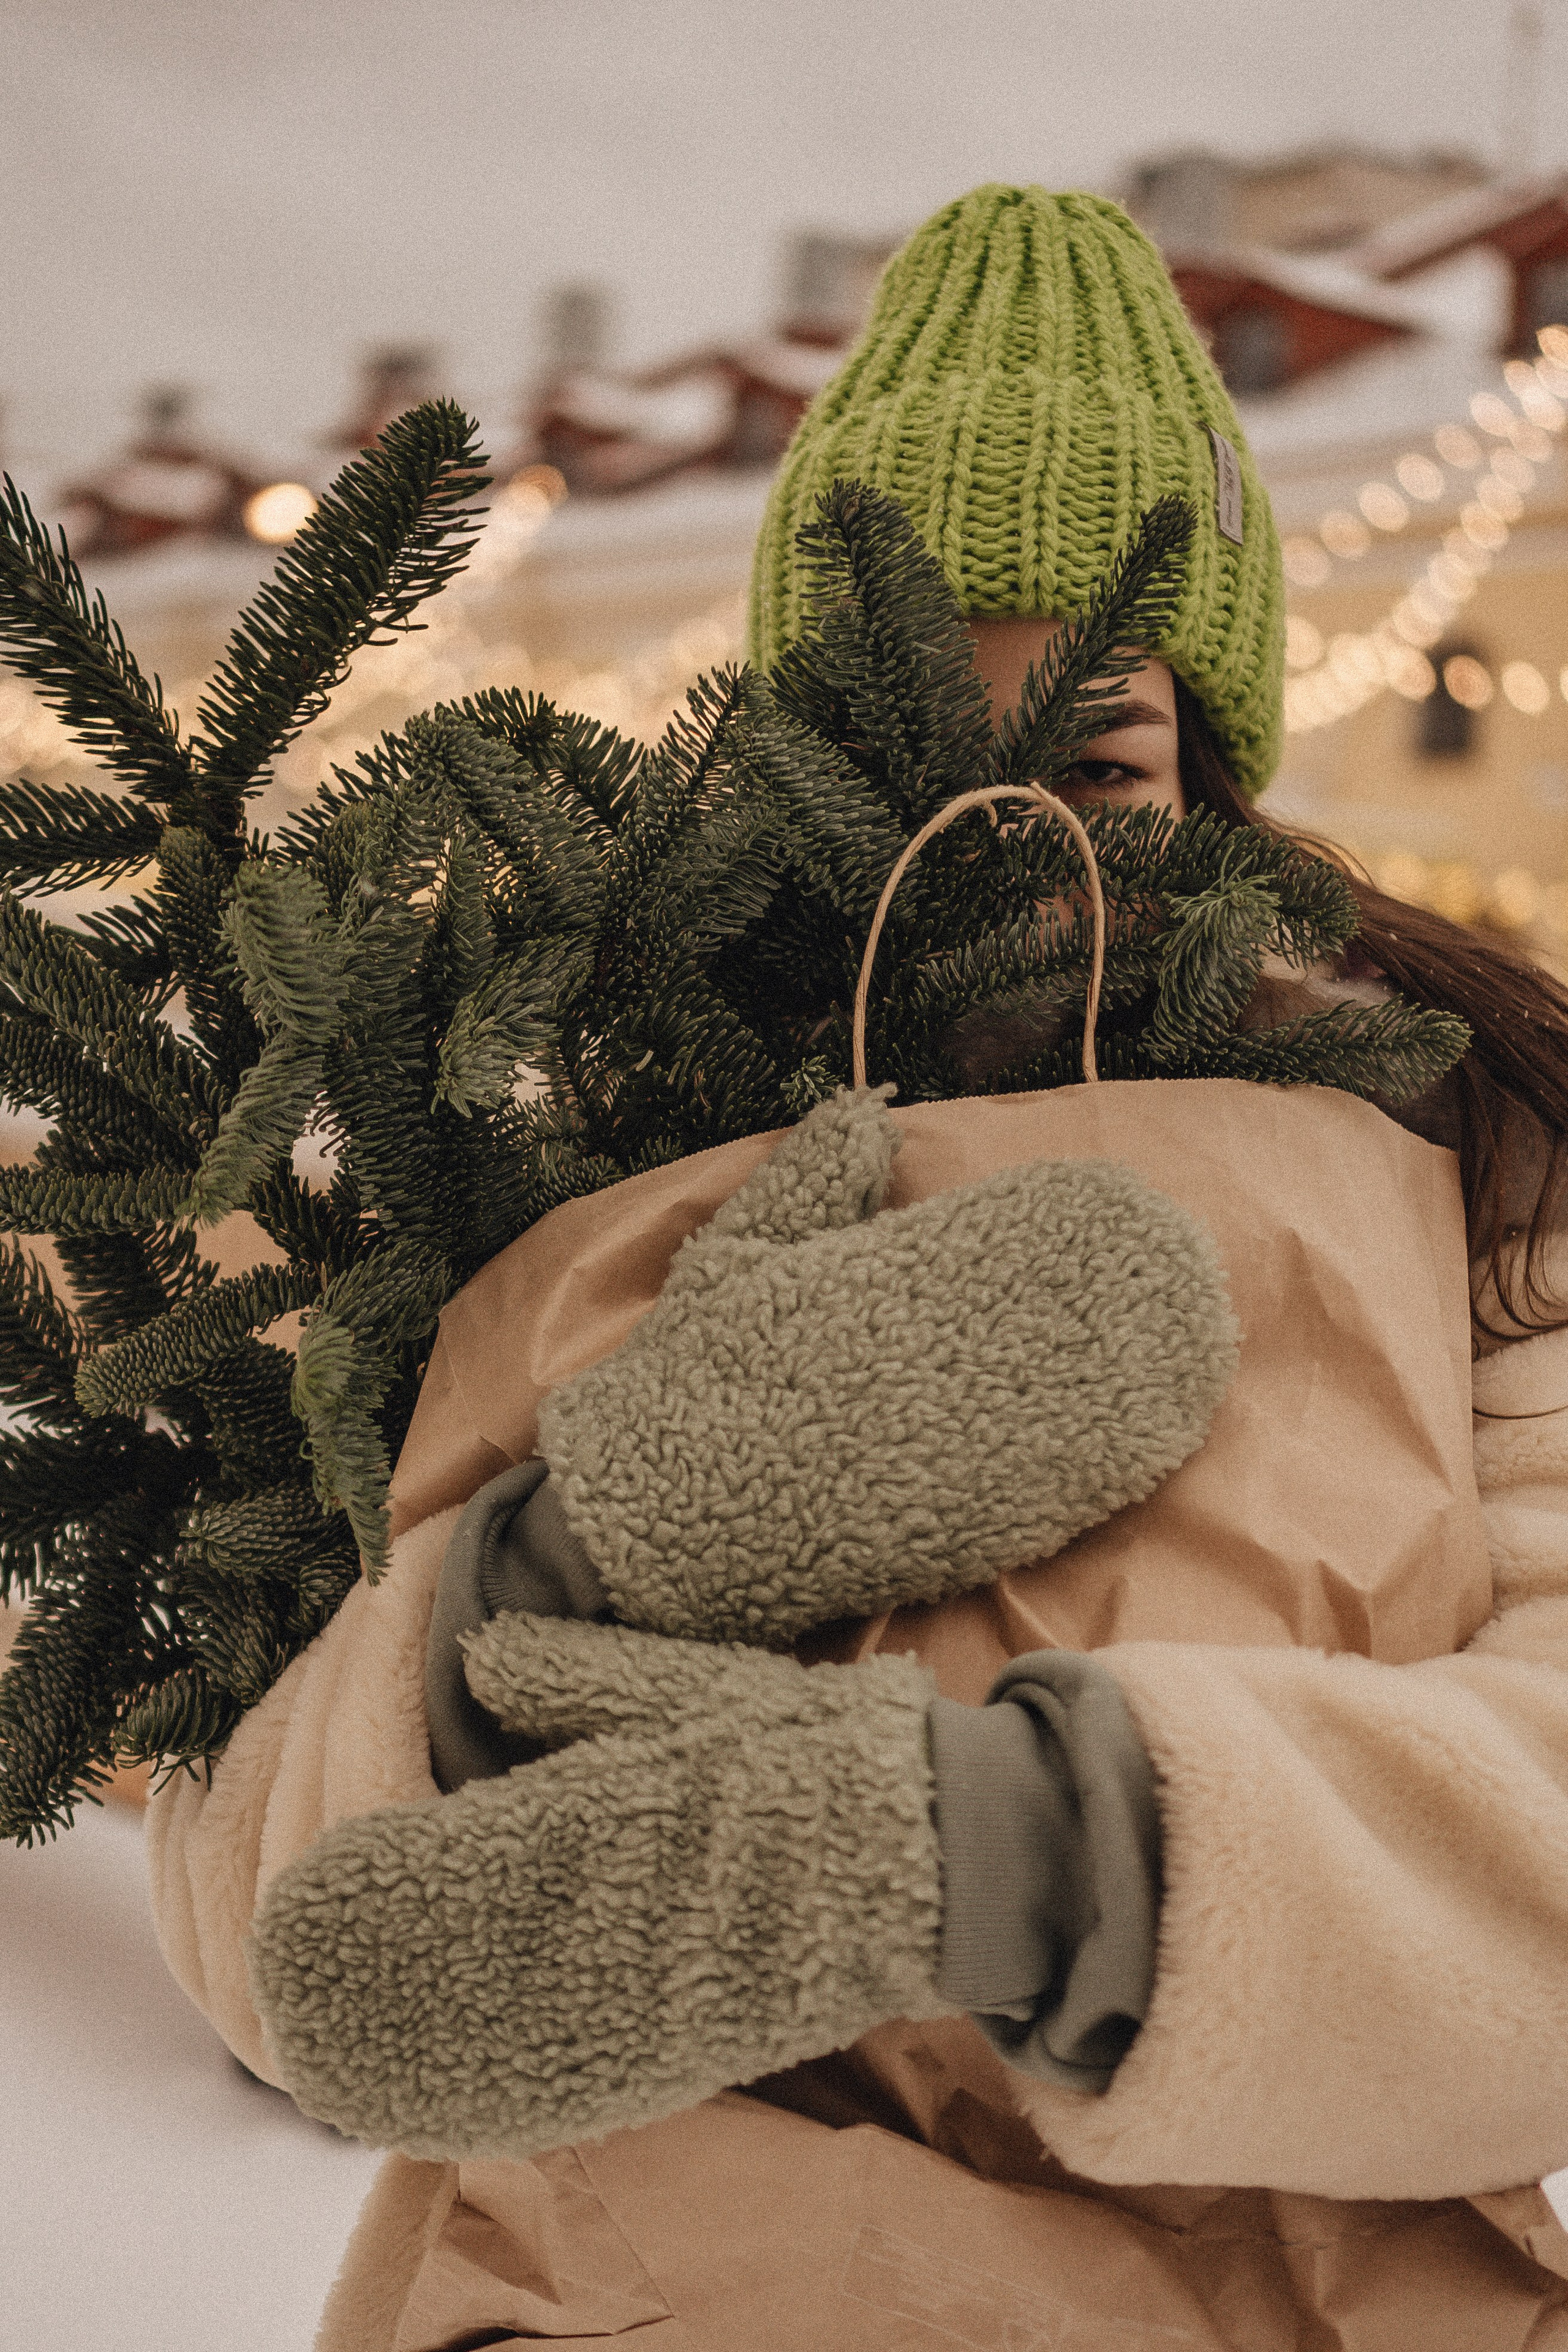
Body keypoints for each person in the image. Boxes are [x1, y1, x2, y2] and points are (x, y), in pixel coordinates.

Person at [151, 186, 1568, 2350]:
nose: (1002, 829)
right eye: (913, 756)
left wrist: (994, 1846)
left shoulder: (1487, 1169)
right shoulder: (602, 1135)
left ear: (1213, 762)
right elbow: (277, 1932)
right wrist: (552, 1575)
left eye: (1090, 753)